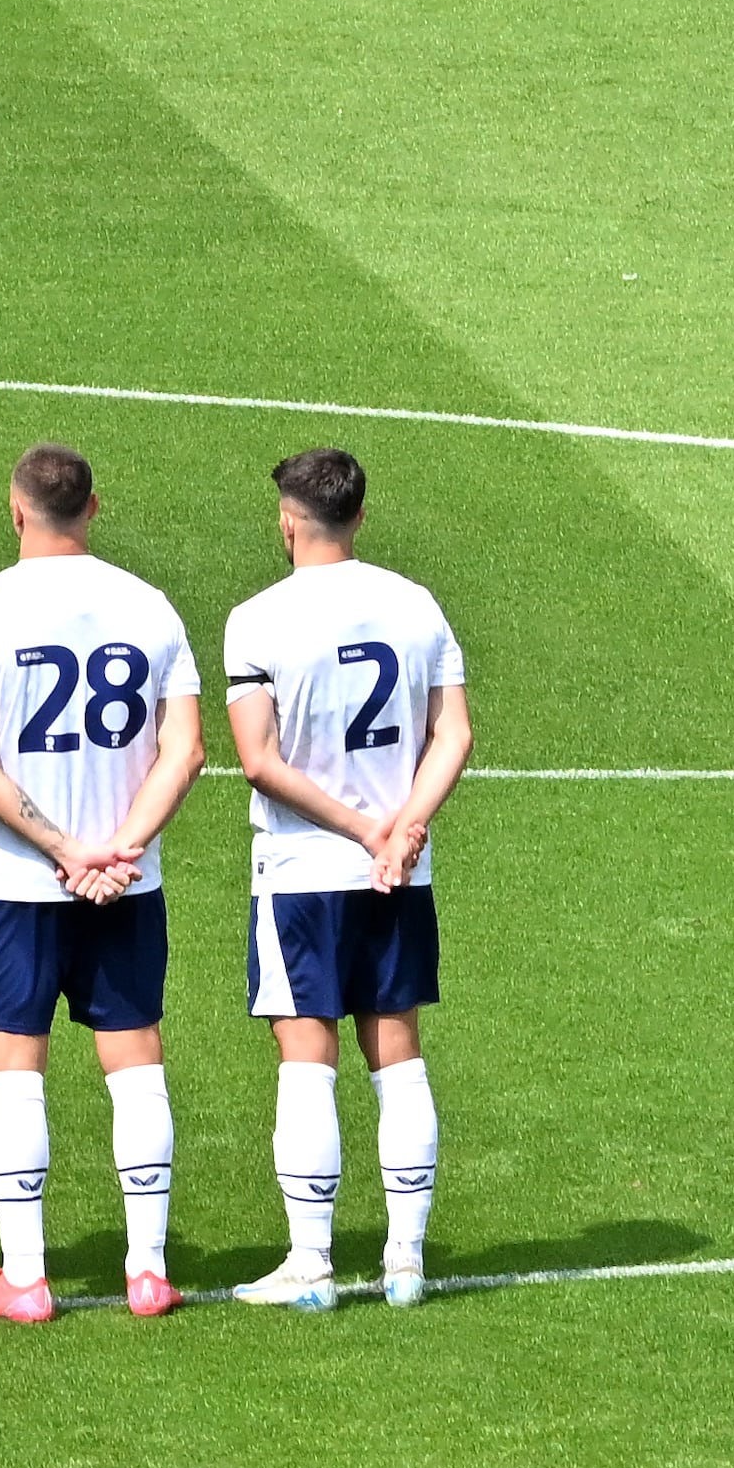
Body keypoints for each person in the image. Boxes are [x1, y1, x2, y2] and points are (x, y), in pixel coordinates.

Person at [0, 442, 204, 1324]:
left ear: (16, 511)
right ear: (94, 508)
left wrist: (62, 851)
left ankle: (26, 1277)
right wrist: (116, 850)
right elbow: (186, 750)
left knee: (14, 1063)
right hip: (129, 882)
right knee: (134, 1059)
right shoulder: (151, 608)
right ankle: (149, 1269)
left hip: (18, 883)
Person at [222, 447, 472, 1312]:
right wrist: (402, 829)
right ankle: (405, 1258)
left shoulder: (257, 619)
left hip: (303, 873)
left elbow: (258, 760)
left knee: (307, 1059)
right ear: (360, 516)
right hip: (398, 876)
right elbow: (455, 737)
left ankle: (313, 1263)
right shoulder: (416, 605)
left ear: (288, 522)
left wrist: (367, 828)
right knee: (397, 1056)